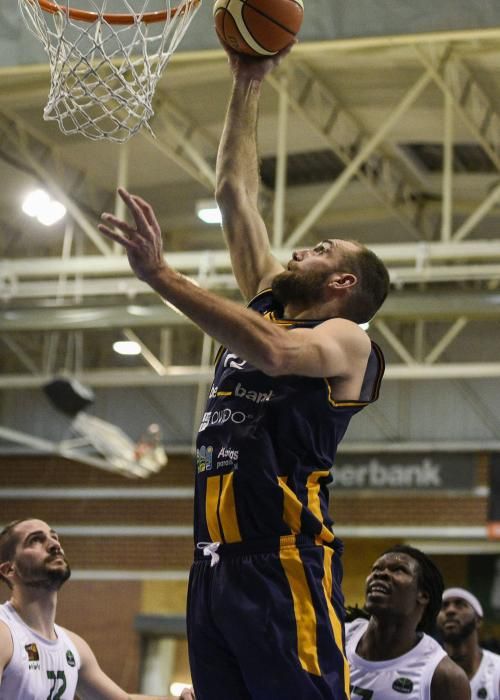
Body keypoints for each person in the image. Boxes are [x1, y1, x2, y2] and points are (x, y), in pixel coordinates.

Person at [98, 41, 390, 700]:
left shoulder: (345, 339)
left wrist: (161, 276)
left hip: (283, 559)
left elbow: (275, 353)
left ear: (342, 280)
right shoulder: (269, 300)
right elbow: (233, 191)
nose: (304, 244)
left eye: (323, 248)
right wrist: (248, 80)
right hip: (212, 564)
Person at [0, 518, 168, 700]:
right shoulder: (5, 635)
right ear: (9, 570)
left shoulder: (73, 647)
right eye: (35, 540)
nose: (55, 544)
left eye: (54, 537)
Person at [346, 545, 470, 700]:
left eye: (398, 569)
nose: (380, 574)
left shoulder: (444, 676)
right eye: (375, 569)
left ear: (423, 595)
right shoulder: (336, 637)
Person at [437, 587, 500, 699]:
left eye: (460, 604)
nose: (450, 611)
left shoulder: (497, 670)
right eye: (444, 606)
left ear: (478, 620)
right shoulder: (425, 671)